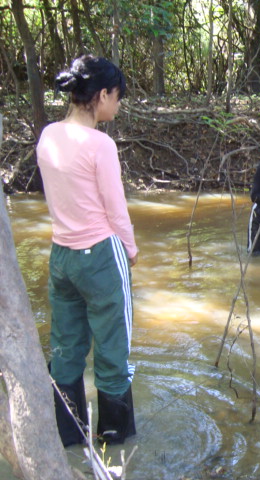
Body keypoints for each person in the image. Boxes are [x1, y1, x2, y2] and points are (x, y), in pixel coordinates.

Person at [36, 55, 137, 446]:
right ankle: (115, 443)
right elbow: (116, 209)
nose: (118, 104)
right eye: (118, 96)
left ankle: (70, 440)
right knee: (113, 350)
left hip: (61, 256)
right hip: (100, 256)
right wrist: (130, 250)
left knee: (65, 348)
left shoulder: (48, 136)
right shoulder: (101, 145)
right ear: (102, 94)